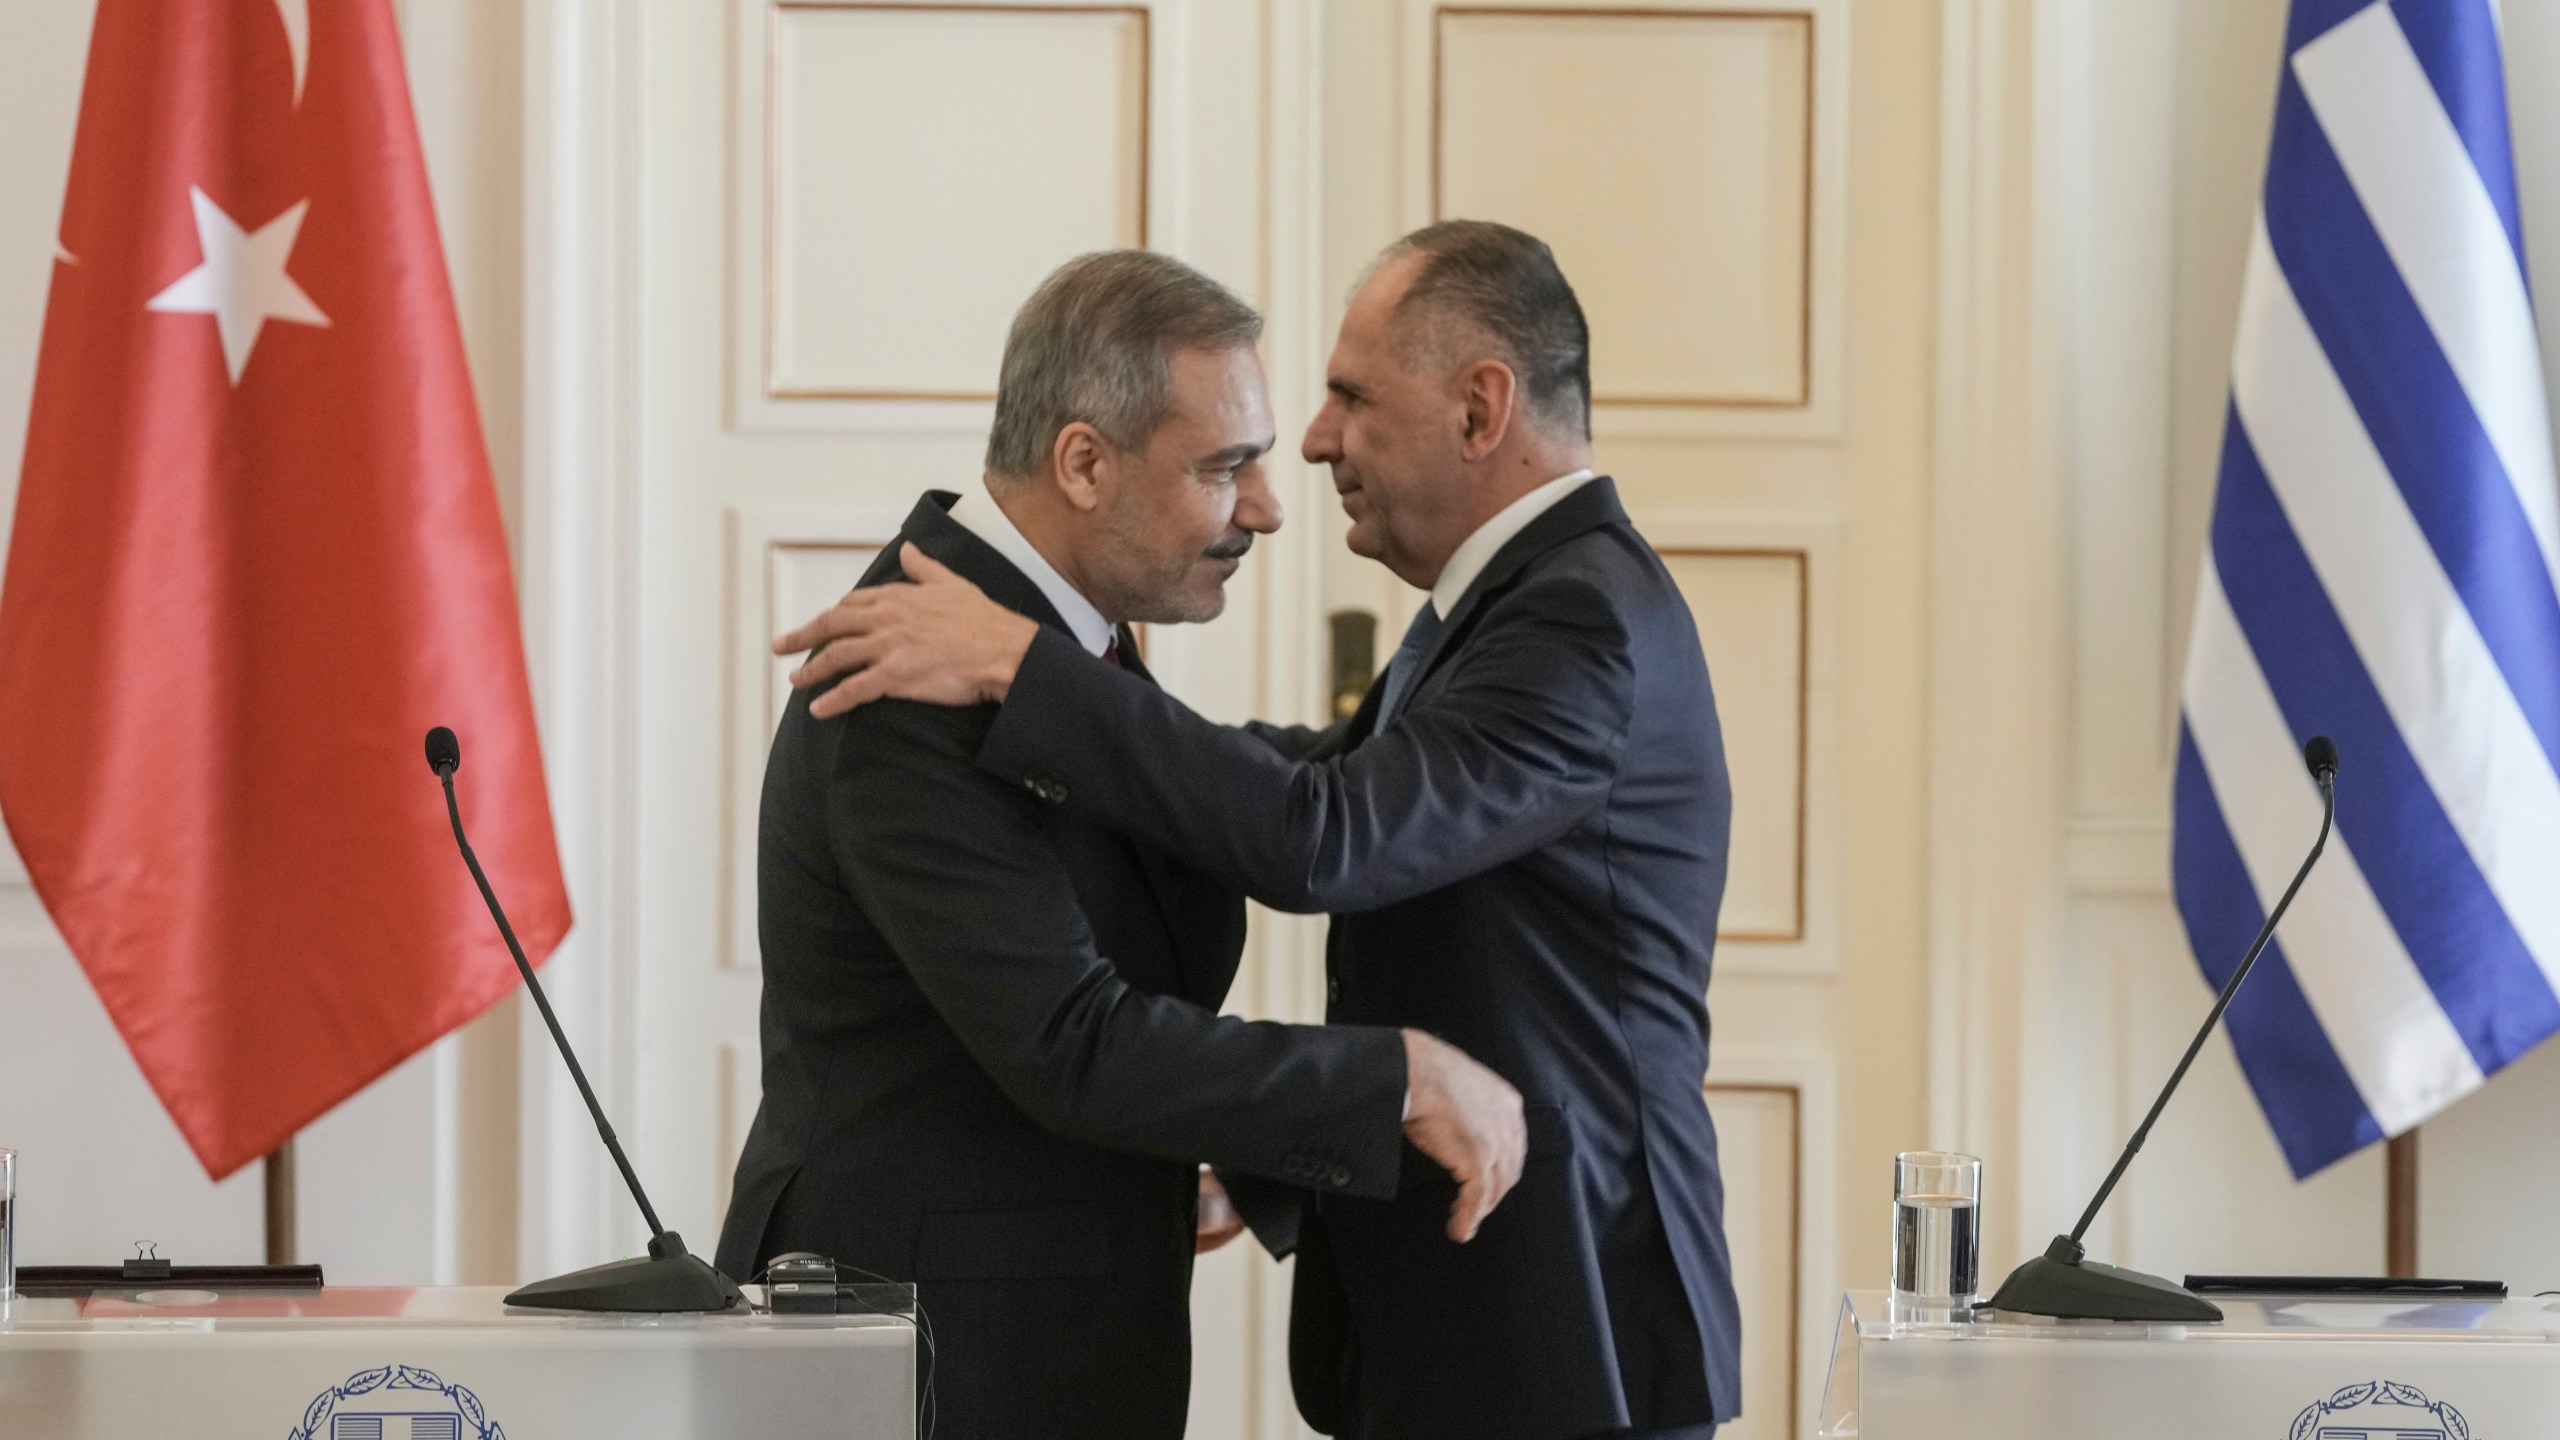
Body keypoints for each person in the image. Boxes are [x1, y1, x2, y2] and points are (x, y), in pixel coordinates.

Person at [776, 221, 1743, 1439]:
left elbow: (1323, 826)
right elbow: (1077, 1031)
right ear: (1083, 465)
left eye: (1344, 397)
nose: (1284, 488)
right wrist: (1372, 1092)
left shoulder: (1570, 616)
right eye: (1227, 463)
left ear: (1480, 408)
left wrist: (1026, 668)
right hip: (943, 1348)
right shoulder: (914, 674)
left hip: (1558, 1311)